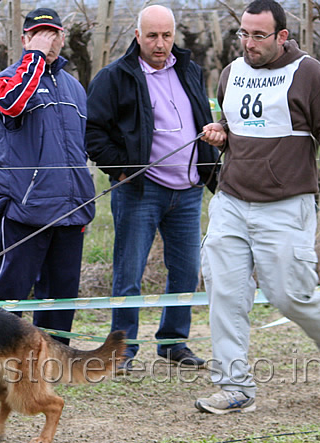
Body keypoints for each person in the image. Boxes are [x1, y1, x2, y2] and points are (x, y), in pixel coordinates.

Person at [196, 0, 320, 414]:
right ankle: (235, 387)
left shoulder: (306, 72)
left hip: (286, 204)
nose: (248, 43)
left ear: (281, 36)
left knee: (289, 295)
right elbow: (236, 125)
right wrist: (221, 133)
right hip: (232, 199)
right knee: (224, 291)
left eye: (258, 35)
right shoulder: (232, 73)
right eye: (244, 34)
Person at [86, 5, 218, 369]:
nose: (160, 44)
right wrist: (121, 169)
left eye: (166, 36)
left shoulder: (191, 70)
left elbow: (202, 119)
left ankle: (173, 342)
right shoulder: (115, 77)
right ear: (137, 36)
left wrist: (211, 165)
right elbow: (93, 132)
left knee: (187, 272)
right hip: (140, 191)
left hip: (188, 190)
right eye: (152, 36)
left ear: (174, 35)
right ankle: (123, 350)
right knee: (129, 273)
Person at [0, 7, 95, 345]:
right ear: (24, 39)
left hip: (71, 207)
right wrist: (34, 57)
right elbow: (12, 103)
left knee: (61, 296)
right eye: (38, 34)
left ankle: (54, 363)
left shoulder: (75, 87)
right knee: (11, 294)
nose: (48, 40)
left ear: (63, 38)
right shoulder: (6, 79)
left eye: (53, 33)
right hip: (25, 208)